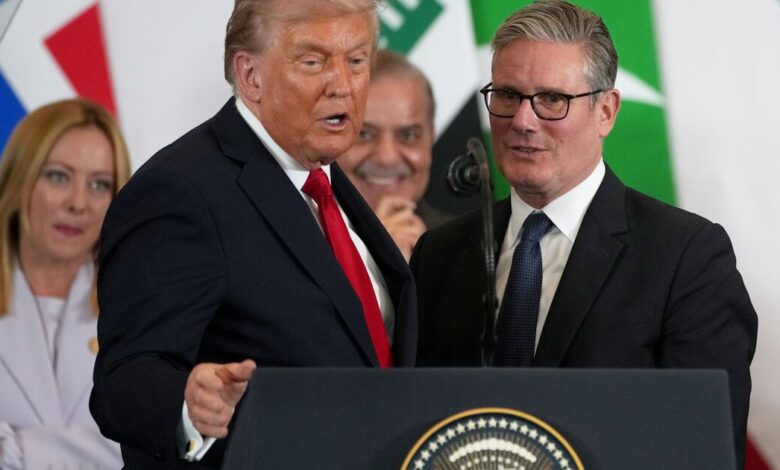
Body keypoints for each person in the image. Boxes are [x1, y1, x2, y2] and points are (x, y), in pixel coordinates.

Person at [409, 0, 757, 467]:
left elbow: (702, 447)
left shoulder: (686, 258)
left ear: (606, 111)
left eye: (552, 99)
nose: (522, 121)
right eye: (507, 95)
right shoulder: (439, 254)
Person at [90, 0, 416, 468]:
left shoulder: (326, 183)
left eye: (357, 60)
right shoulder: (181, 192)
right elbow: (123, 381)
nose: (342, 85)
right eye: (313, 61)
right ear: (250, 76)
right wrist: (188, 404)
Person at [0, 98, 131, 469]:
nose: (78, 203)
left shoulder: (138, 306)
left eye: (99, 184)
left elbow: (151, 443)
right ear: (20, 179)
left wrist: (16, 449)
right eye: (59, 176)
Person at [338, 49, 448, 261]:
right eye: (364, 134)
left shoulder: (473, 247)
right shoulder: (297, 246)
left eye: (408, 135)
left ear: (430, 138)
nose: (387, 157)